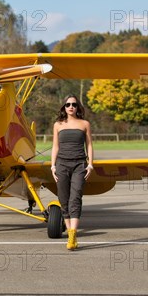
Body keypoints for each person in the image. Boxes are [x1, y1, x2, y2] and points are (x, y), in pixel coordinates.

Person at [51, 94, 94, 250]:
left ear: (78, 107)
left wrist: (90, 165)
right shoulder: (58, 125)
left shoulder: (84, 124)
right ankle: (70, 232)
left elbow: (89, 145)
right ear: (64, 107)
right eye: (68, 104)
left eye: (74, 105)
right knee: (63, 199)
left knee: (75, 198)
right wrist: (52, 166)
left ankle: (73, 235)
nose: (71, 107)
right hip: (61, 164)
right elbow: (55, 146)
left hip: (79, 165)